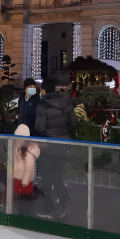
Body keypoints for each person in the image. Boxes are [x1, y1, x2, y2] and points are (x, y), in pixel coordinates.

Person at [34, 79, 77, 220]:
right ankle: (66, 203)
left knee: (46, 179)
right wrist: (62, 134)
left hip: (47, 146)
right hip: (62, 144)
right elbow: (73, 123)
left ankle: (50, 209)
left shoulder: (42, 106)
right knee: (57, 176)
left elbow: (40, 128)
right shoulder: (66, 103)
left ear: (44, 90)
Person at [13, 124, 40, 193]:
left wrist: (25, 181)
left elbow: (29, 167)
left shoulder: (28, 152)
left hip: (24, 181)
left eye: (18, 138)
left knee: (23, 199)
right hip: (18, 178)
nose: (16, 140)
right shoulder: (18, 148)